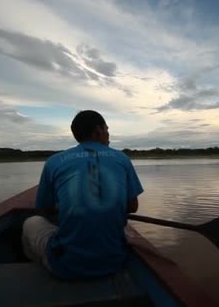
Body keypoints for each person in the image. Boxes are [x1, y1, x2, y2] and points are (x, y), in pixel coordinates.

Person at [22, 110, 143, 279]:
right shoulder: (122, 158)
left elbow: (43, 209)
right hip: (114, 262)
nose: (109, 135)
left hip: (67, 265)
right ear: (99, 130)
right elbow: (132, 207)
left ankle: (41, 265)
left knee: (31, 222)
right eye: (107, 129)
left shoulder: (54, 161)